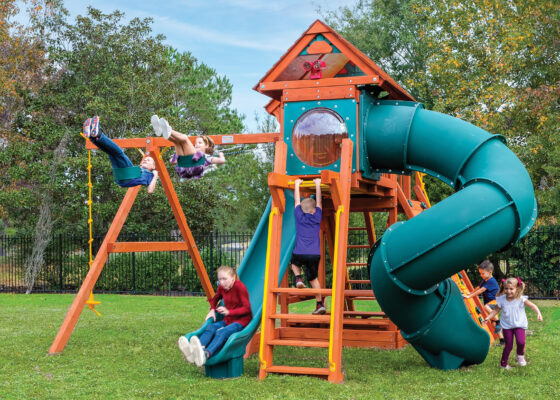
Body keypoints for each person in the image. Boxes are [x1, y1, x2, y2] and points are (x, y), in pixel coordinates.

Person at [177, 265, 252, 367]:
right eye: (220, 279)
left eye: (225, 279)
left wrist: (229, 312)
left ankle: (206, 354)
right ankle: (195, 351)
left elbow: (247, 309)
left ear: (233, 278)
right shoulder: (222, 288)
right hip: (228, 320)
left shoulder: (239, 287)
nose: (222, 282)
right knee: (211, 327)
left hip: (241, 321)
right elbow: (215, 298)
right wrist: (212, 309)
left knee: (221, 332)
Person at [82, 116, 159, 193]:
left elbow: (150, 191)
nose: (145, 160)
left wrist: (155, 175)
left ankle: (98, 134)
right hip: (120, 178)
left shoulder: (151, 176)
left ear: (153, 166)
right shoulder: (139, 170)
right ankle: (93, 138)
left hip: (128, 175)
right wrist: (123, 182)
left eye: (148, 160)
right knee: (111, 153)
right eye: (145, 159)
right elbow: (121, 185)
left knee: (119, 153)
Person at [483, 277, 543, 370]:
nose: (508, 291)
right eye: (506, 288)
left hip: (519, 325)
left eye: (511, 289)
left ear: (517, 289)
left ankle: (520, 356)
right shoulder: (502, 299)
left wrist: (538, 313)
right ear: (504, 288)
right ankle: (503, 364)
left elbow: (532, 306)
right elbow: (495, 310)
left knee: (521, 342)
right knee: (509, 345)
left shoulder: (521, 299)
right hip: (507, 326)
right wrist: (487, 318)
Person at [150, 115, 225, 180]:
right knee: (177, 142)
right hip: (184, 168)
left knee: (185, 138)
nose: (196, 145)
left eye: (200, 143)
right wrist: (176, 157)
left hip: (193, 167)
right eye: (195, 143)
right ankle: (161, 131)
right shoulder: (194, 153)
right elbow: (172, 161)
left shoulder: (207, 157)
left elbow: (222, 161)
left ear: (207, 146)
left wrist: (221, 154)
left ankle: (169, 130)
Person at [290, 178, 325, 315]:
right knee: (313, 279)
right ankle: (319, 303)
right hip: (314, 254)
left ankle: (298, 278)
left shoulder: (299, 216)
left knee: (294, 263)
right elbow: (320, 202)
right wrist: (318, 185)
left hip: (300, 252)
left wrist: (297, 185)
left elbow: (296, 201)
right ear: (313, 210)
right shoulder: (317, 217)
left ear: (303, 210)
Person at [463, 259, 504, 345]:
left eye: (483, 273)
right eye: (480, 273)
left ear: (490, 272)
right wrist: (470, 293)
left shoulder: (491, 281)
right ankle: (502, 340)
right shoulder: (485, 280)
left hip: (495, 302)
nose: (481, 275)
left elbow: (481, 290)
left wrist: (469, 296)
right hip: (491, 304)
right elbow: (478, 287)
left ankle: (498, 322)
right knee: (493, 323)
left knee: (486, 307)